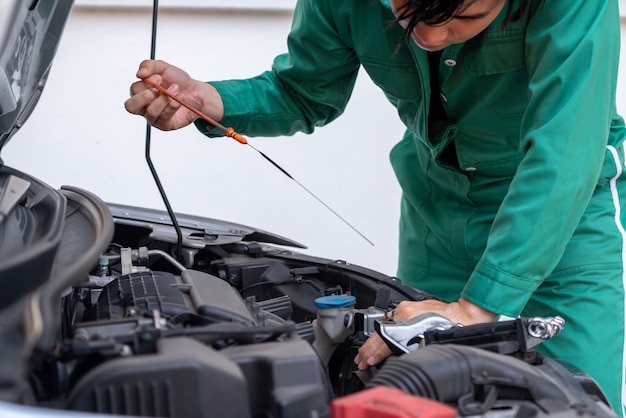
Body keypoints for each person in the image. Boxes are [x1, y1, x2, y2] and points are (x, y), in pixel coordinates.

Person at [125, 0, 626, 413]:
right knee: (418, 397)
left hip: (564, 229)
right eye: (407, 11)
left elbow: (566, 150)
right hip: (437, 221)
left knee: (574, 401)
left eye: (463, 19)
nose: (428, 37)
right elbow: (304, 91)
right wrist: (209, 99)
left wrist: (476, 308)